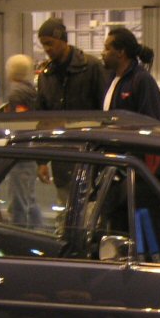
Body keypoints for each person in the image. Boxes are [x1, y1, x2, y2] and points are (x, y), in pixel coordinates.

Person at [35, 17, 108, 195]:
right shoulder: (46, 76)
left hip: (91, 158)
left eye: (50, 43)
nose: (46, 49)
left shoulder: (92, 68)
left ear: (63, 40)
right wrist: (41, 160)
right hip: (62, 161)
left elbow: (106, 112)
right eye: (43, 44)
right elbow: (42, 119)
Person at [1, 54, 42, 227]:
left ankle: (20, 232)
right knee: (29, 198)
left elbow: (19, 122)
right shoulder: (30, 90)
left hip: (20, 151)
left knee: (19, 202)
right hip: (29, 149)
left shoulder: (16, 93)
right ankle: (36, 230)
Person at [101, 27, 160, 119]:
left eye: (107, 49)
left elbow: (152, 120)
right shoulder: (111, 79)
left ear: (120, 52)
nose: (102, 53)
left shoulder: (141, 80)